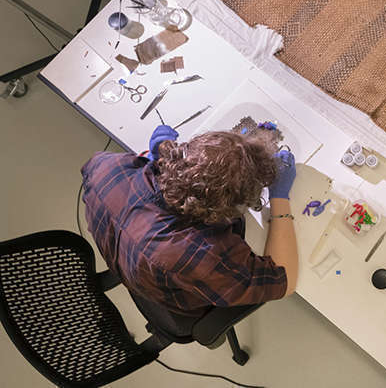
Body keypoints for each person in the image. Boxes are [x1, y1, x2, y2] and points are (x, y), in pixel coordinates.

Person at [82, 126, 298, 317]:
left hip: (129, 262)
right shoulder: (202, 256)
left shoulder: (107, 168)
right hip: (169, 292)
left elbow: (90, 168)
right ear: (222, 213)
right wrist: (279, 199)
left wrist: (153, 159)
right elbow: (283, 278)